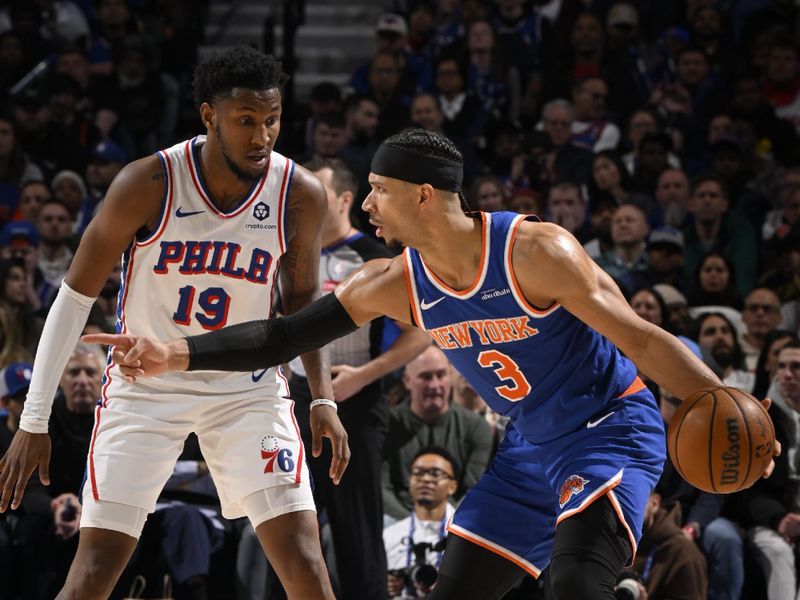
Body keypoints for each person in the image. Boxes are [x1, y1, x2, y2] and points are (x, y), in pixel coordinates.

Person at [84, 128, 777, 600]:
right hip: (528, 448)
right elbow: (281, 336)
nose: (365, 206)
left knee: (572, 586)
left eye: (379, 190)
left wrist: (729, 409)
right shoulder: (395, 283)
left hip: (608, 432)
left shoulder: (536, 252)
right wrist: (178, 350)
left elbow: (645, 341)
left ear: (423, 193)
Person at [0, 45, 348, 600]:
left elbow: (304, 307)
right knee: (95, 569)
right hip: (146, 388)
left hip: (246, 393)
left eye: (272, 120)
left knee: (306, 559)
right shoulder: (148, 183)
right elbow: (72, 298)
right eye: (246, 121)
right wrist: (34, 419)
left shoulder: (300, 193)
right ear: (209, 116)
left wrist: (321, 398)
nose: (262, 136)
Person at [384, 446, 458, 600]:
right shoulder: (389, 535)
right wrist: (383, 587)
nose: (425, 479)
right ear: (410, 482)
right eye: (418, 473)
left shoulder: (466, 537)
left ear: (452, 486)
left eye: (435, 473)